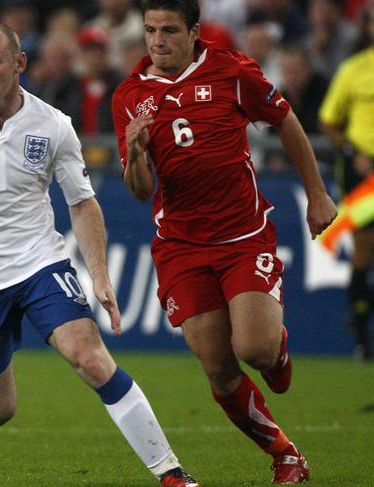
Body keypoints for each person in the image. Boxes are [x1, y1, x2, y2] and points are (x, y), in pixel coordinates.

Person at [0, 22, 200, 487]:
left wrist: (100, 276)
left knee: (90, 357)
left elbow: (81, 202)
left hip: (38, 262)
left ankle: (170, 472)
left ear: (19, 64)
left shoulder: (52, 125)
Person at [111, 1, 337, 484]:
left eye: (169, 30)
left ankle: (276, 350)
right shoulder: (131, 95)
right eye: (151, 30)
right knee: (218, 368)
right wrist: (133, 156)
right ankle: (285, 454)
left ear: (193, 32)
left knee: (254, 349)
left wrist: (317, 195)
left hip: (242, 235)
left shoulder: (231, 70)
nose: (157, 41)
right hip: (181, 246)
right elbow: (137, 190)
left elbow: (286, 121)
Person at [319, 3, 374, 360]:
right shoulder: (354, 69)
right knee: (365, 248)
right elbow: (328, 120)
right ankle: (361, 335)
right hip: (363, 168)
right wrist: (354, 150)